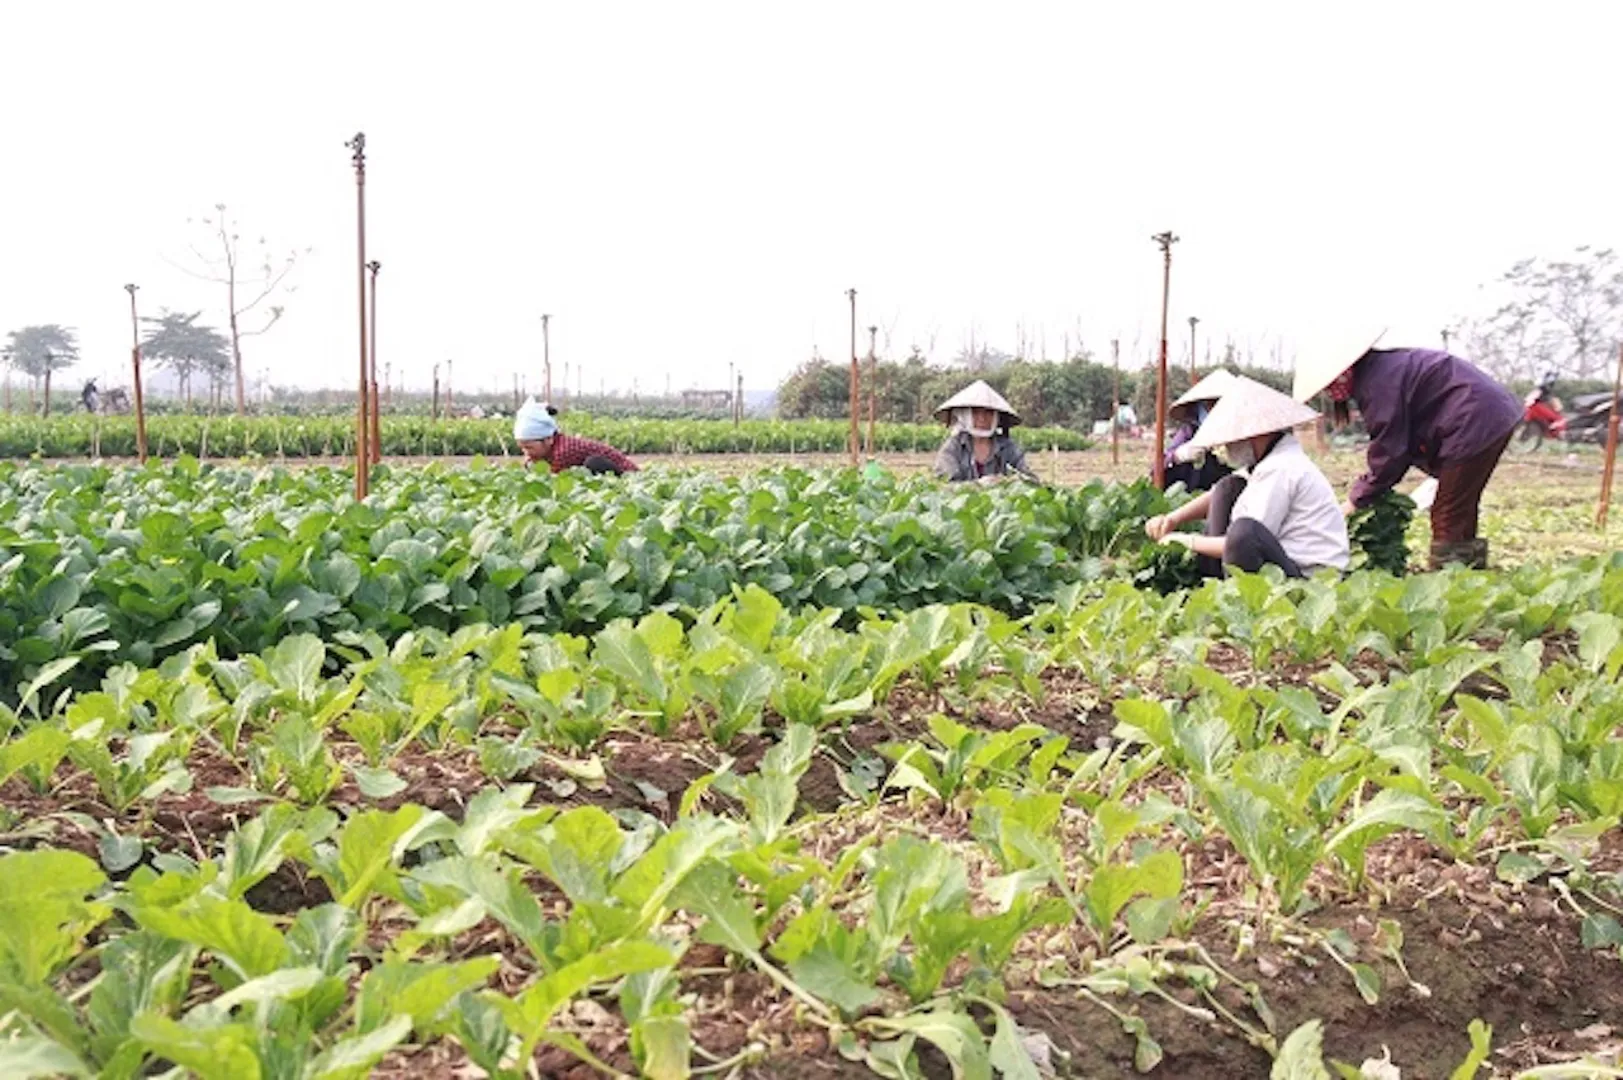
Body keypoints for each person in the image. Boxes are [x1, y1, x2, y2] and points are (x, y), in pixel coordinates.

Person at [1293, 330, 1521, 570]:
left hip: (1473, 419)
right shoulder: (1381, 369)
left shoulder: (1378, 381)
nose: (1329, 392)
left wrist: (1357, 499)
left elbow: (1390, 448)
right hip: (1488, 414)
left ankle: (1450, 584)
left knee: (1447, 512)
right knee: (1460, 505)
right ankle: (1469, 573)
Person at [1145, 376, 1349, 579]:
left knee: (1244, 531)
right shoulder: (1268, 460)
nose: (1227, 447)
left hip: (1311, 578)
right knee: (1228, 487)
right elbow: (1218, 493)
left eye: (1232, 440)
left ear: (1254, 435)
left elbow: (1241, 541)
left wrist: (1186, 541)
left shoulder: (1281, 468)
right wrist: (1173, 518)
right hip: (1287, 561)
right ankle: (1213, 582)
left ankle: (1231, 589)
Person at [931, 380, 1038, 483]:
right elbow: (944, 486)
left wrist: (1008, 482)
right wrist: (979, 485)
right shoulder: (954, 447)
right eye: (976, 413)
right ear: (965, 415)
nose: (982, 419)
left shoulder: (1008, 447)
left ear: (996, 416)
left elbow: (1030, 480)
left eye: (989, 413)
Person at [512, 398, 639, 475]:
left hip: (626, 473)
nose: (525, 452)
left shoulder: (562, 452)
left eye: (529, 447)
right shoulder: (549, 448)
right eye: (522, 448)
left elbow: (556, 481)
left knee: (593, 463)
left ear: (548, 439)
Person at [1161, 368, 1238, 493]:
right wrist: (1177, 456)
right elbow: (1158, 469)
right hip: (1192, 497)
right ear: (1199, 406)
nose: (1215, 411)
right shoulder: (1189, 432)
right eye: (1209, 405)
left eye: (1220, 404)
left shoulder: (1244, 433)